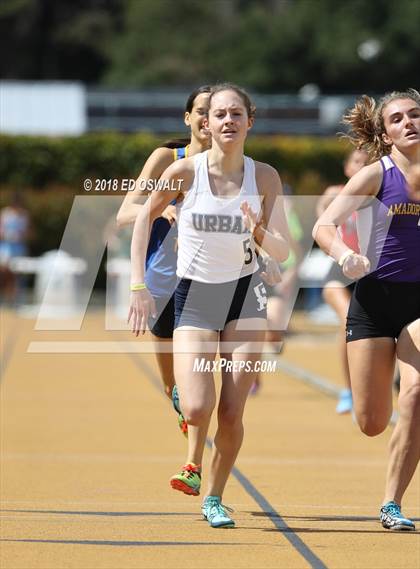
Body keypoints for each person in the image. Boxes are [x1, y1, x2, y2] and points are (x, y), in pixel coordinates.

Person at [128, 83, 289, 528]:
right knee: (197, 408)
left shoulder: (266, 177)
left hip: (244, 297)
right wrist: (138, 285)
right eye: (219, 114)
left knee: (233, 411)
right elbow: (141, 216)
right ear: (206, 122)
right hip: (195, 296)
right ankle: (192, 457)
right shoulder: (185, 172)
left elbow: (282, 250)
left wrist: (259, 233)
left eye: (236, 114)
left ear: (249, 121)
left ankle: (213, 497)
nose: (227, 121)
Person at [313, 89, 420, 531]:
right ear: (384, 132)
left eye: (415, 114)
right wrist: (344, 256)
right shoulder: (376, 175)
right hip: (374, 300)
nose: (409, 122)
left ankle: (391, 502)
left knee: (415, 393)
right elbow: (323, 225)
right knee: (372, 422)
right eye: (397, 118)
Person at [117, 85, 212, 434]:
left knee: (205, 369)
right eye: (200, 110)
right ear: (188, 118)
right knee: (172, 385)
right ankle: (180, 398)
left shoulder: (233, 164)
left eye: (215, 111)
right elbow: (125, 213)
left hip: (209, 276)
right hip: (164, 279)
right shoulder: (166, 159)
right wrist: (164, 209)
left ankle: (197, 443)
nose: (208, 118)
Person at [316, 149, 368, 413]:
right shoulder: (335, 193)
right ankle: (348, 390)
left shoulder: (380, 194)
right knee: (348, 319)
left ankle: (368, 385)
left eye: (368, 162)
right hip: (340, 270)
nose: (363, 166)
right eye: (357, 162)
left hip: (369, 272)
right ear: (347, 168)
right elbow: (321, 221)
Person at [0, 192, 31, 304]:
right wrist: (8, 235)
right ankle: (5, 295)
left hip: (19, 247)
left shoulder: (24, 215)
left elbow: (27, 233)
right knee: (4, 271)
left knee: (18, 272)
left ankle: (15, 297)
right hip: (5, 247)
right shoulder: (5, 213)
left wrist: (19, 236)